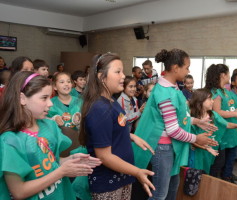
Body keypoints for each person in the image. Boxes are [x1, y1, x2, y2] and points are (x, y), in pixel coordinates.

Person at [0, 71, 101, 200]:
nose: (50, 103)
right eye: (44, 98)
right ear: (22, 98)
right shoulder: (10, 141)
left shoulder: (49, 126)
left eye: (50, 97)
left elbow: (51, 163)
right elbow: (19, 192)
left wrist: (71, 159)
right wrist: (62, 172)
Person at [133, 49, 218, 200]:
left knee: (172, 188)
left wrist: (196, 121)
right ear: (175, 68)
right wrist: (196, 138)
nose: (188, 71)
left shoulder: (172, 87)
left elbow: (177, 118)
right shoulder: (165, 93)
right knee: (159, 194)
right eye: (187, 67)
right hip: (162, 148)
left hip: (170, 147)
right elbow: (172, 130)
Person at [79, 52, 155, 199]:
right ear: (102, 77)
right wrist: (137, 171)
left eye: (123, 71)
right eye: (118, 72)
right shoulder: (100, 108)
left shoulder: (110, 101)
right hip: (108, 183)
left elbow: (112, 129)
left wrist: (131, 136)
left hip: (122, 176)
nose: (122, 76)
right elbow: (105, 157)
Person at [205, 64, 237, 183]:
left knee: (221, 161)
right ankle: (210, 185)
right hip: (217, 132)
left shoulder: (224, 91)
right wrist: (235, 114)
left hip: (224, 131)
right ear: (222, 75)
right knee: (216, 163)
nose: (229, 76)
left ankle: (214, 184)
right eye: (228, 73)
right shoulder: (216, 92)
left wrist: (236, 111)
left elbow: (227, 107)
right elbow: (217, 112)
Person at [188, 88, 237, 174]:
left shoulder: (213, 115)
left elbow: (226, 124)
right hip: (197, 155)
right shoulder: (192, 120)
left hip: (211, 153)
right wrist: (206, 147)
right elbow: (190, 140)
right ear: (200, 101)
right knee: (196, 175)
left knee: (210, 173)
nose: (213, 101)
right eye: (209, 99)